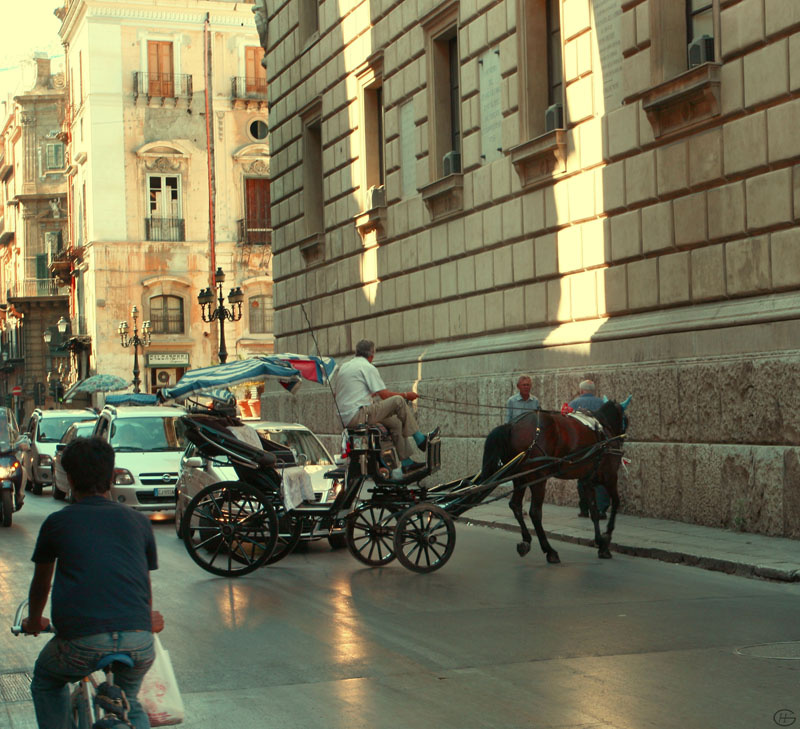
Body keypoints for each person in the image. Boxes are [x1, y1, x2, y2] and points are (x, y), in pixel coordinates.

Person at [22, 437, 164, 729]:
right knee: (129, 698)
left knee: (47, 680)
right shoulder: (139, 522)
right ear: (111, 477)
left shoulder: (57, 523)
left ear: (70, 479)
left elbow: (41, 584)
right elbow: (143, 583)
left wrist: (34, 620)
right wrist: (145, 618)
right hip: (139, 640)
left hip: (80, 642)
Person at [334, 339, 439, 479]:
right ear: (372, 355)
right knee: (398, 401)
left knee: (396, 423)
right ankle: (420, 439)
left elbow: (341, 394)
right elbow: (385, 395)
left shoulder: (344, 367)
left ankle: (406, 462)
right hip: (359, 414)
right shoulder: (367, 367)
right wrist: (406, 395)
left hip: (346, 417)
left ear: (356, 352)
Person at [568, 380, 610, 519]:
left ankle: (585, 509)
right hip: (598, 447)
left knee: (583, 478)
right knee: (599, 478)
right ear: (593, 391)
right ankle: (601, 510)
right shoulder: (602, 404)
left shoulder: (574, 404)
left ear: (581, 391)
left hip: (581, 449)